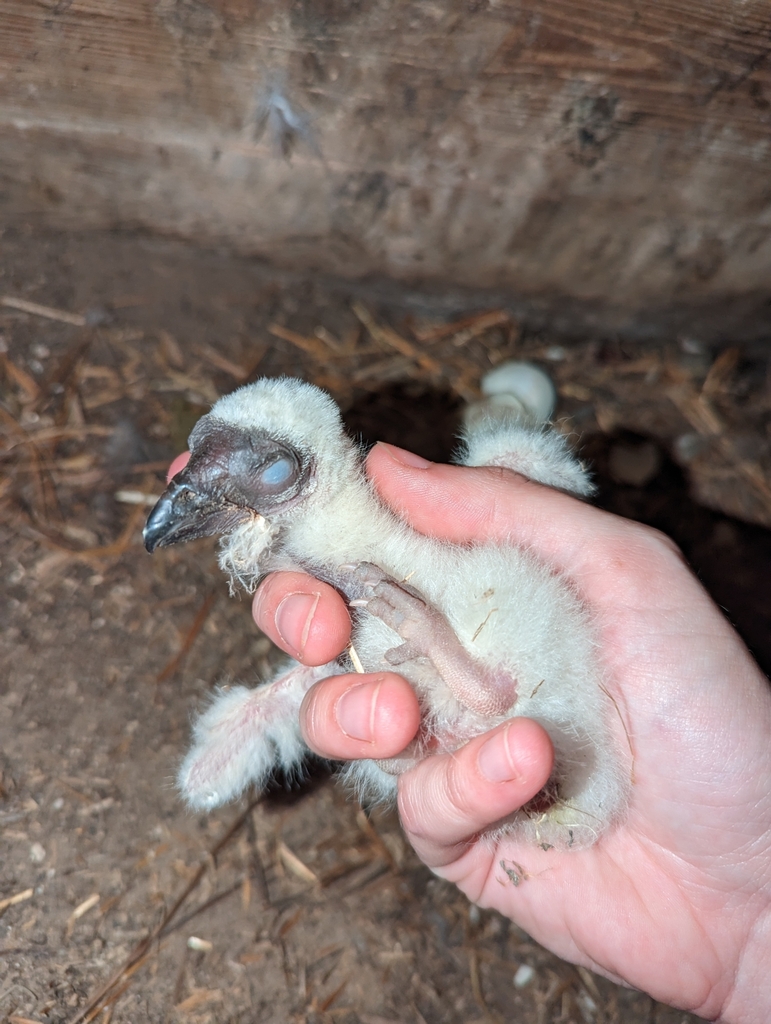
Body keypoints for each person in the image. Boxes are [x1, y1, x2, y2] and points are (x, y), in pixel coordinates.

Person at [168, 441, 771, 1022]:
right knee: (363, 703)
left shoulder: (424, 539)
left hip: (545, 748)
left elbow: (503, 670)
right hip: (548, 789)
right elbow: (209, 774)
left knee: (420, 671)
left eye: (269, 472)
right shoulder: (370, 573)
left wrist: (436, 642)